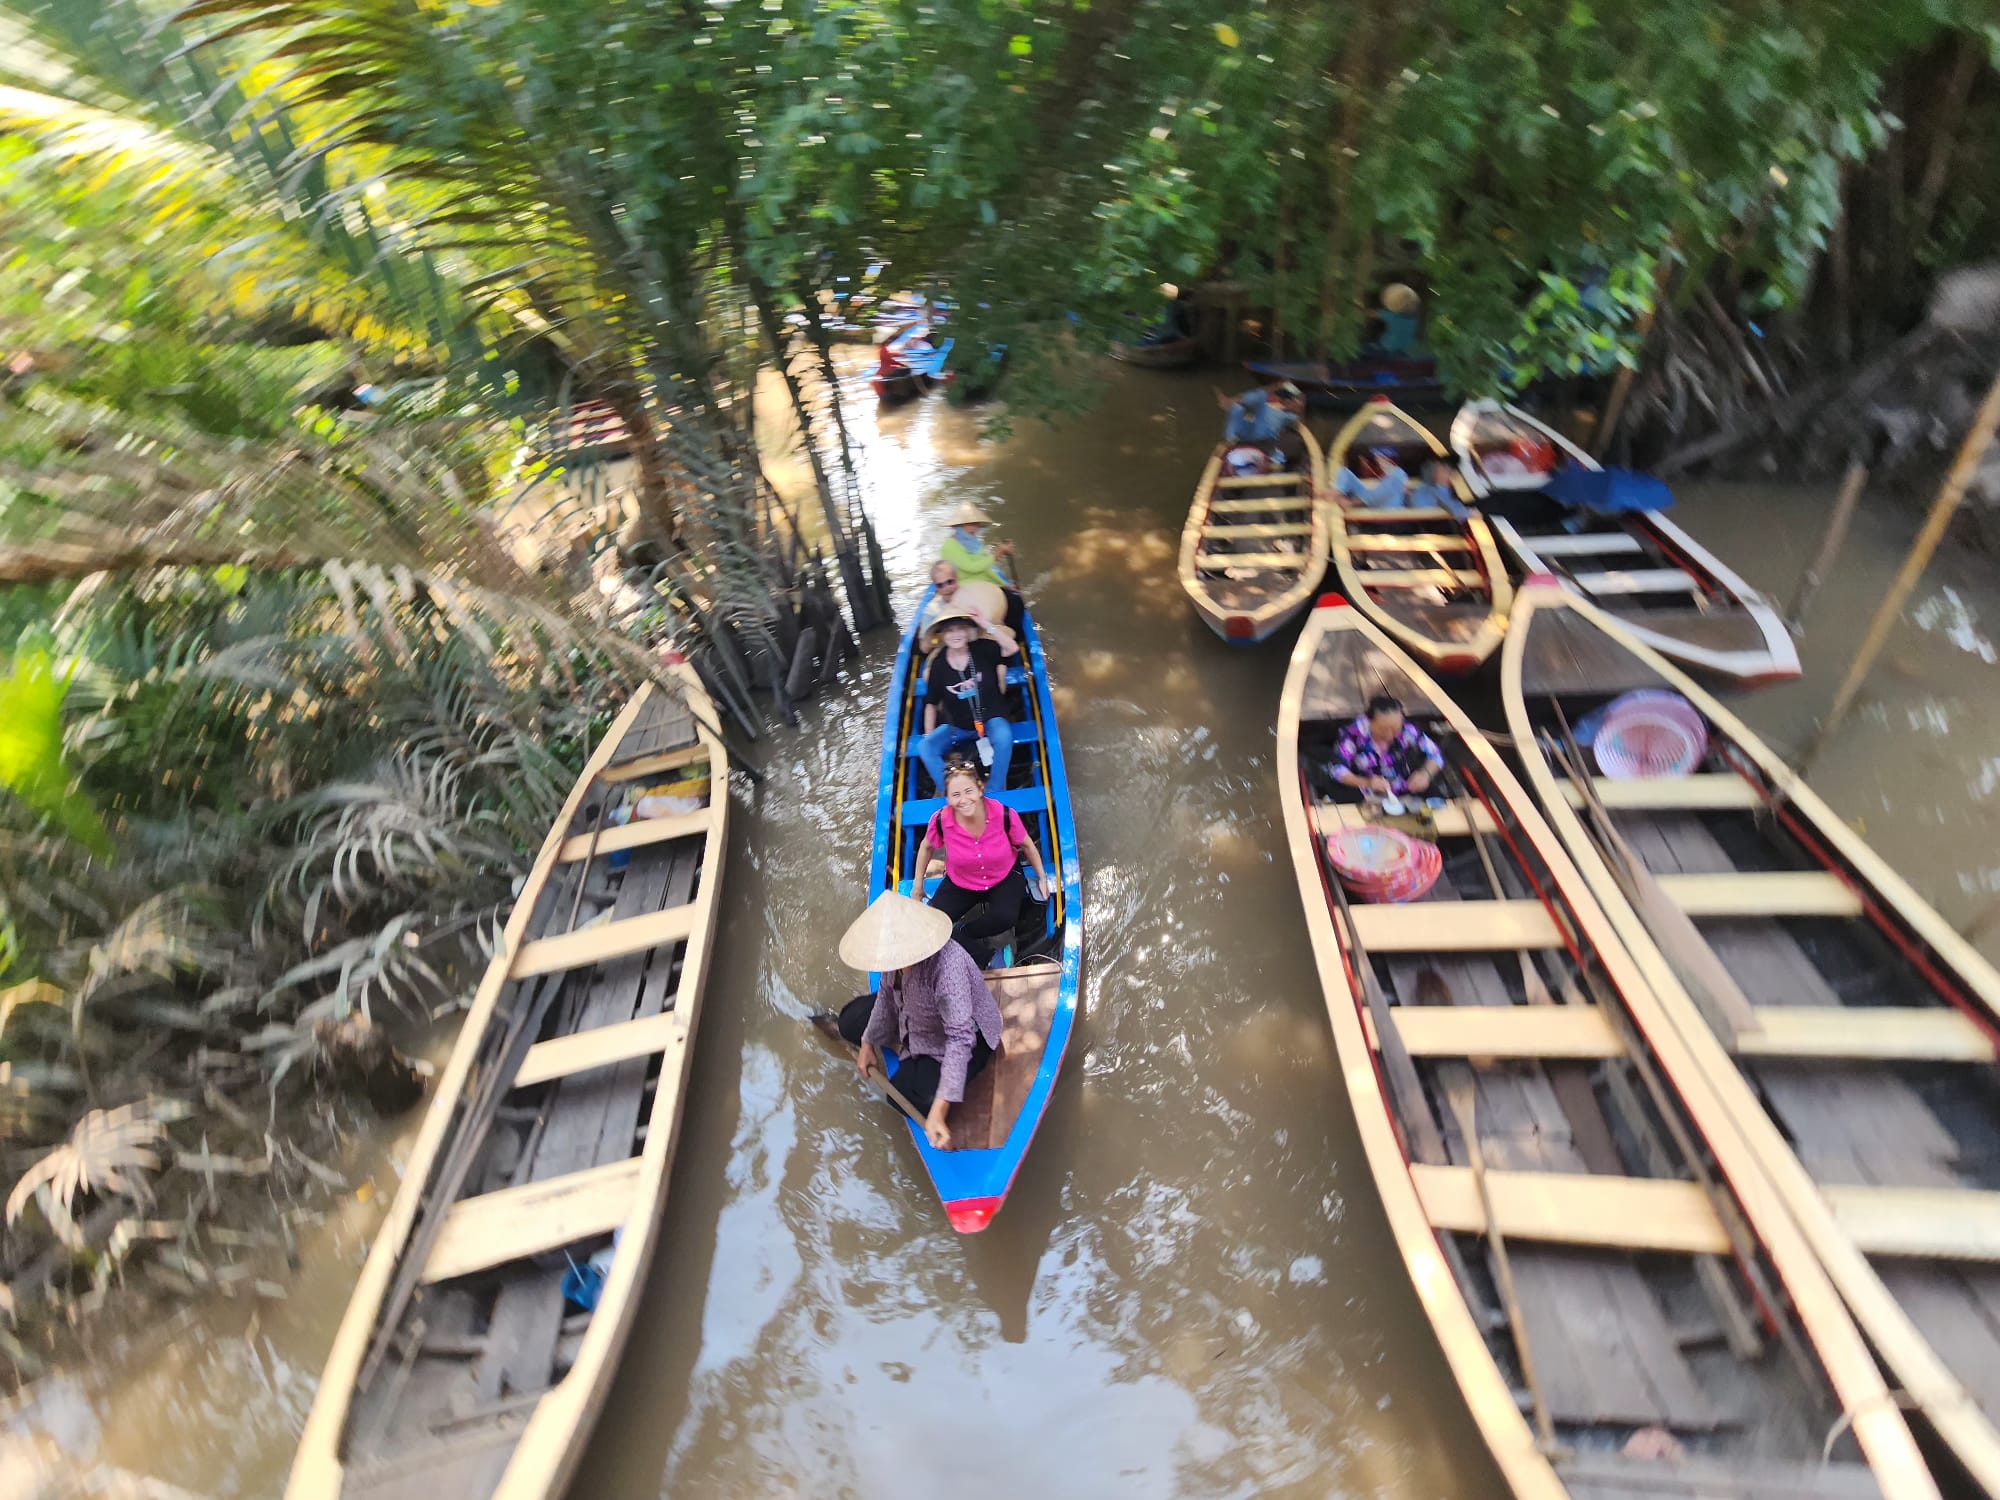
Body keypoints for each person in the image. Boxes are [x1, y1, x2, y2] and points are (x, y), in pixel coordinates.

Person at [836, 891, 1003, 1150]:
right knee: (848, 1023)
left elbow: (960, 1039)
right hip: (912, 1012)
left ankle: (911, 1049)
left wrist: (939, 1109)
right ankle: (904, 1043)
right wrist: (868, 1043)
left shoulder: (948, 968)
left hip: (964, 1035)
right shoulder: (892, 958)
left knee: (905, 1095)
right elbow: (885, 997)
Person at [911, 760, 1050, 964]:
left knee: (1006, 916)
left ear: (980, 788)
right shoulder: (941, 821)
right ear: (948, 798)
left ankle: (964, 931)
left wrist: (1042, 877)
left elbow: (1027, 845)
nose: (963, 800)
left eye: (969, 791)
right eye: (955, 795)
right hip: (962, 880)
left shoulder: (1003, 814)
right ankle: (985, 958)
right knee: (931, 925)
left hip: (1003, 875)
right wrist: (917, 886)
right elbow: (926, 847)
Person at [916, 608, 1017, 793]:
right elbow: (931, 704)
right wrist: (929, 735)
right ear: (943, 636)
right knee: (925, 747)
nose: (956, 635)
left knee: (1004, 736)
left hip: (990, 720)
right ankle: (952, 792)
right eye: (950, 630)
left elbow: (1012, 648)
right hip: (958, 727)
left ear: (968, 631)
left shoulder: (983, 648)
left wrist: (985, 624)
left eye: (960, 628)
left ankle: (994, 790)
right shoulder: (938, 664)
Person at [1325, 693, 1446, 802]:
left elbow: (1435, 754)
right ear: (1369, 721)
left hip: (1404, 790)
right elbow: (1337, 769)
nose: (1389, 735)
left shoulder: (1408, 730)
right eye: (1383, 729)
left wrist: (1425, 774)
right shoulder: (1353, 733)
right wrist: (1367, 782)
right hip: (1365, 794)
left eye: (1395, 729)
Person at [937, 501, 1025, 636]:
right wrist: (998, 553)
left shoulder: (973, 543)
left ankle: (1016, 638)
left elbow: (986, 569)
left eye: (977, 524)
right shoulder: (949, 547)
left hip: (986, 586)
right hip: (966, 589)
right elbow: (972, 568)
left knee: (1015, 601)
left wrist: (1005, 585)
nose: (976, 528)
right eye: (972, 524)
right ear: (960, 526)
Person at [919, 561, 1017, 653]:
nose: (946, 588)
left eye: (950, 582)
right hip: (950, 650)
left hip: (982, 643)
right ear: (936, 587)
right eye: (940, 585)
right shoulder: (932, 610)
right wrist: (944, 633)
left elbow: (997, 623)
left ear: (957, 578)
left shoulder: (974, 594)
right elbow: (925, 648)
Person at [1217, 380, 1306, 469]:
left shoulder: (1258, 405)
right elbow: (1297, 421)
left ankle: (1230, 445)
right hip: (1263, 449)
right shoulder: (1282, 415)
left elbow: (1255, 396)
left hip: (1245, 446)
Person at [1334, 446, 1411, 508]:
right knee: (1345, 472)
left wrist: (1351, 503)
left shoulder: (1398, 474)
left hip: (1390, 518)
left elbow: (1376, 495)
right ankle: (1336, 491)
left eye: (1381, 458)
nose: (1379, 461)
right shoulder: (1385, 475)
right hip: (1375, 509)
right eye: (1378, 459)